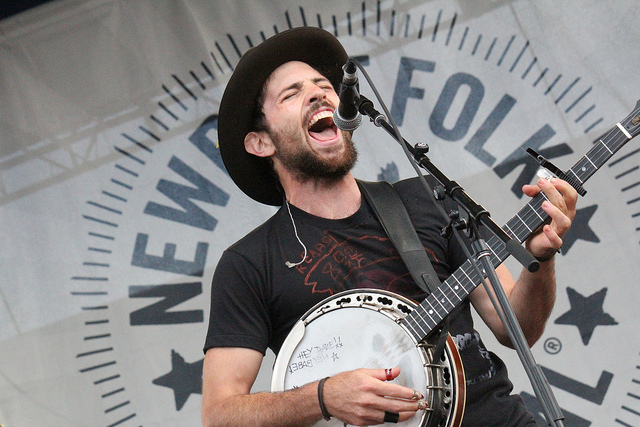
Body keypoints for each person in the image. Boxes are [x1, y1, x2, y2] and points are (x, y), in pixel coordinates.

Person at [202, 26, 577, 426]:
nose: (318, 93)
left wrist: (542, 259)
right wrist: (323, 397)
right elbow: (219, 415)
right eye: (291, 94)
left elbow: (518, 327)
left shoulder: (427, 199)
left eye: (322, 84)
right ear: (261, 143)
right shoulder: (249, 264)